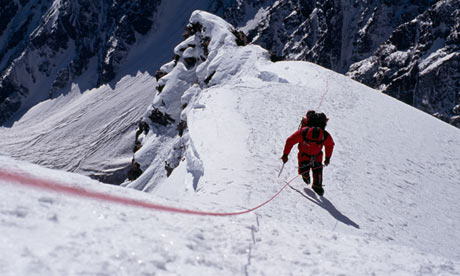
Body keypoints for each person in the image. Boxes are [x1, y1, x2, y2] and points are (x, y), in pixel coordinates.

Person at [281, 111, 334, 196]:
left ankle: (306, 177)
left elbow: (290, 141)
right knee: (317, 171)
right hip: (317, 156)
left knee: (304, 170)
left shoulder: (303, 131)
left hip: (303, 156)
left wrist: (285, 155)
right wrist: (327, 158)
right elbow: (330, 145)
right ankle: (317, 185)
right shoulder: (324, 134)